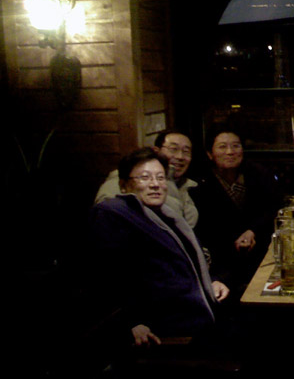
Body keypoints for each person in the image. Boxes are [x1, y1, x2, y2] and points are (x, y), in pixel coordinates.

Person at [89, 147, 229, 348]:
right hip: (168, 329)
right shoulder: (114, 214)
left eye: (160, 178)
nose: (155, 184)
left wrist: (212, 281)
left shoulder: (166, 216)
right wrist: (132, 322)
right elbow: (107, 274)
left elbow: (187, 261)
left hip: (198, 314)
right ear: (124, 185)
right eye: (144, 178)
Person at [192, 124, 283, 298]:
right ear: (210, 154)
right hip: (222, 262)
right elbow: (206, 229)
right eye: (222, 147)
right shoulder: (200, 183)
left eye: (235, 146)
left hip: (262, 253)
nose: (230, 152)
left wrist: (252, 230)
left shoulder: (258, 173)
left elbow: (273, 207)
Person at [95, 129, 199, 228]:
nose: (180, 156)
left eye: (186, 151)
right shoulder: (122, 181)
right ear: (156, 150)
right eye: (173, 149)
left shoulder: (190, 186)